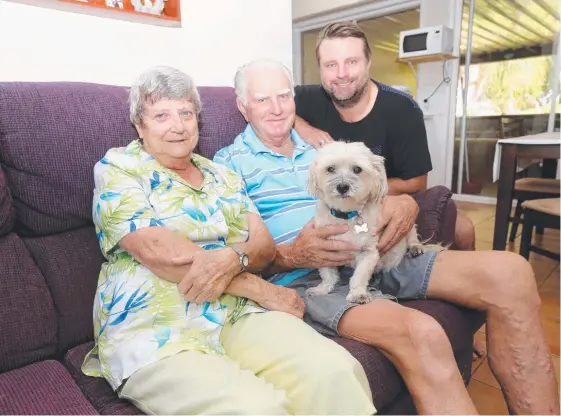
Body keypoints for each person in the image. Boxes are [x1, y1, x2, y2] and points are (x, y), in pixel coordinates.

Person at [213, 58, 560, 415]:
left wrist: (404, 202)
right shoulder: (227, 165)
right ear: (242, 105)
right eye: (261, 99)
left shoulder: (320, 147)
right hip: (310, 277)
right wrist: (290, 255)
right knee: (420, 333)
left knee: (511, 272)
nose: (275, 108)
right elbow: (234, 252)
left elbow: (373, 183)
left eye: (284, 96)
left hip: (374, 246)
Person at [81, 65, 375, 415]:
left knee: (335, 372)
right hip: (154, 324)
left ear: (198, 120)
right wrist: (260, 288)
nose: (177, 125)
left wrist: (232, 259)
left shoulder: (222, 175)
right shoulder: (119, 168)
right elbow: (160, 253)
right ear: (139, 125)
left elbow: (264, 247)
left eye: (186, 113)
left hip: (235, 314)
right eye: (161, 115)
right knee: (255, 408)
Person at [293, 19, 482, 357]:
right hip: (346, 215)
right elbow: (273, 109)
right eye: (330, 64)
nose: (341, 73)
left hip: (388, 197)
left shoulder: (401, 109)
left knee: (464, 227)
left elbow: (416, 184)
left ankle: (470, 320)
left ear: (367, 62)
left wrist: (370, 192)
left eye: (351, 61)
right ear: (320, 69)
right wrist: (305, 128)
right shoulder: (306, 99)